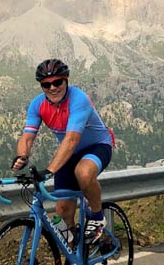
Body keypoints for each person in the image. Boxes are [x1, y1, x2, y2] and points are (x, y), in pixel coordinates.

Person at [12, 58, 114, 246]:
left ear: (66, 80)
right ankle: (75, 259)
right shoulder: (37, 105)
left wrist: (50, 170)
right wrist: (22, 156)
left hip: (98, 146)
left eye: (57, 82)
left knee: (83, 172)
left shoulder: (78, 99)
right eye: (46, 84)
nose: (52, 88)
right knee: (62, 215)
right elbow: (27, 137)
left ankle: (98, 217)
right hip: (70, 154)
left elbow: (71, 139)